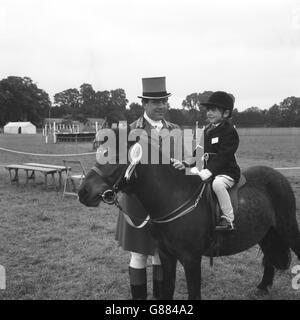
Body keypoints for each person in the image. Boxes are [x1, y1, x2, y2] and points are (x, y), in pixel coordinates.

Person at [115, 76, 179, 300]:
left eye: (164, 101)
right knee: (139, 255)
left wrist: (183, 164)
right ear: (144, 104)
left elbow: (183, 164)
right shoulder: (130, 132)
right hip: (137, 203)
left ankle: (161, 301)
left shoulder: (175, 129)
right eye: (155, 102)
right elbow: (121, 169)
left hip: (166, 205)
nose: (161, 106)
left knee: (162, 255)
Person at [193, 91, 240, 230]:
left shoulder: (229, 131)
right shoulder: (207, 130)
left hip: (227, 172)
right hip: (209, 171)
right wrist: (185, 163)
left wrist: (209, 171)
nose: (209, 113)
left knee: (217, 185)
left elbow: (224, 156)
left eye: (213, 110)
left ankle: (228, 218)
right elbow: (199, 151)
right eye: (208, 110)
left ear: (225, 113)